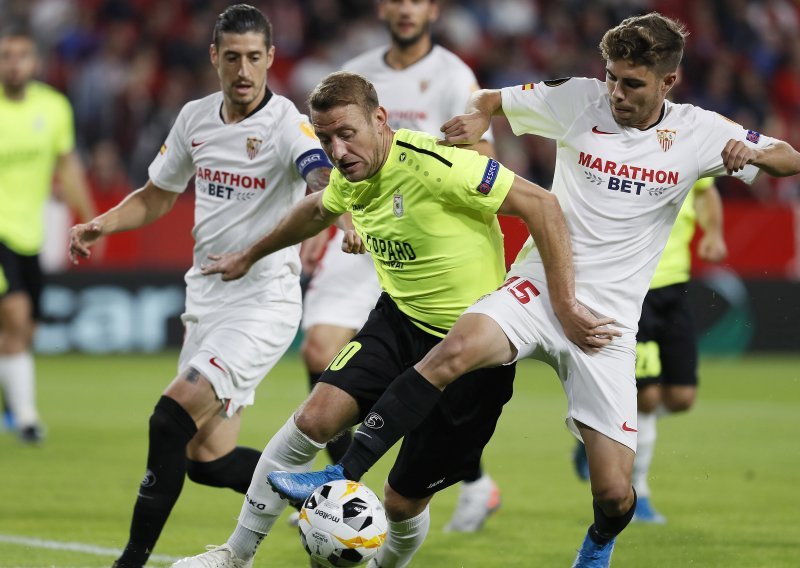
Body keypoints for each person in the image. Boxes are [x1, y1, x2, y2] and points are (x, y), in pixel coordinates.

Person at [268, 12, 800, 567]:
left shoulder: (700, 132)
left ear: (668, 81)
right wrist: (478, 119)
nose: (616, 93)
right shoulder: (579, 98)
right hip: (538, 288)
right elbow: (489, 99)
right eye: (611, 77)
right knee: (452, 351)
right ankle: (342, 472)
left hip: (606, 323)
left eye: (632, 83)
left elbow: (789, 157)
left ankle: (599, 541)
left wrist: (756, 154)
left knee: (614, 493)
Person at [172, 70, 606, 568]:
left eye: (346, 133)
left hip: (472, 348)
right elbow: (315, 210)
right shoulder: (351, 175)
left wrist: (564, 303)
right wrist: (249, 255)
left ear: (379, 119)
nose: (337, 151)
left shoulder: (438, 165)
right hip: (398, 323)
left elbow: (543, 205)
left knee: (401, 503)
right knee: (312, 420)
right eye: (325, 139)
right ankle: (235, 555)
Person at [67, 5, 332, 567]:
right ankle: (333, 497)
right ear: (214, 56)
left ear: (271, 58)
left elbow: (318, 174)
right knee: (207, 461)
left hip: (262, 302)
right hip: (206, 301)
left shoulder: (286, 122)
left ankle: (129, 562)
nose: (243, 70)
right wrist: (102, 223)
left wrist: (332, 208)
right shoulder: (194, 118)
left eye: (254, 57)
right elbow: (156, 195)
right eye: (232, 57)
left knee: (168, 417)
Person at [298, 0, 501, 533]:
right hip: (364, 232)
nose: (405, 9)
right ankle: (339, 497)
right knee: (319, 349)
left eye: (416, 0)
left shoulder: (453, 75)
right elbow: (333, 159)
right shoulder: (356, 71)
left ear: (432, 9)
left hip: (425, 239)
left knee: (428, 382)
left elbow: (480, 157)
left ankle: (473, 481)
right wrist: (332, 220)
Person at [572, 177, 727, 525]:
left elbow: (706, 193)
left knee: (682, 397)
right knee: (646, 397)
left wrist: (714, 234)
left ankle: (602, 433)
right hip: (631, 291)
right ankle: (638, 491)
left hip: (675, 288)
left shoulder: (690, 149)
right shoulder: (626, 157)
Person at [0, 23, 96, 444]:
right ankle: (26, 418)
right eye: (6, 56)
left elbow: (68, 166)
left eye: (21, 56)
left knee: (25, 330)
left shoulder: (54, 108)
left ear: (35, 62)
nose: (13, 64)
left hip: (31, 235)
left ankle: (11, 403)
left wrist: (90, 219)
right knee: (17, 315)